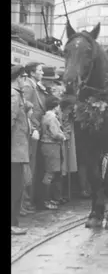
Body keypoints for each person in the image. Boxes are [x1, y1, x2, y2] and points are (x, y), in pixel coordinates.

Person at [22, 62, 48, 212]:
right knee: (29, 167)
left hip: (36, 131)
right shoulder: (28, 87)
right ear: (32, 73)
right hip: (31, 133)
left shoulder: (35, 87)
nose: (42, 73)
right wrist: (32, 129)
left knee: (33, 167)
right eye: (40, 70)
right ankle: (25, 202)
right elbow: (25, 109)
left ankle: (28, 200)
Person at [12, 65, 31, 235]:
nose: (26, 81)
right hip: (14, 152)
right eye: (24, 77)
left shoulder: (16, 95)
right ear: (19, 78)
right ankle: (12, 224)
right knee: (15, 188)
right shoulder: (14, 95)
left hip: (16, 151)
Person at [39, 96, 67, 210]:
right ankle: (45, 201)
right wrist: (63, 136)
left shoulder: (45, 116)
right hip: (51, 146)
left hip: (46, 145)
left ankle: (47, 199)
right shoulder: (52, 117)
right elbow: (55, 133)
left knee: (50, 172)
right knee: (50, 173)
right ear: (56, 106)